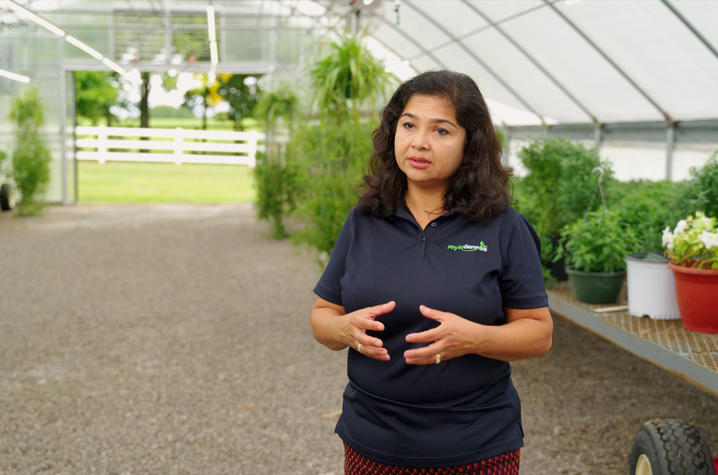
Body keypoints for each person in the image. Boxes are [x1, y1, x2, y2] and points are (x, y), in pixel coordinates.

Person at [309, 70, 553, 474]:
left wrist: (473, 338)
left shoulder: (503, 227)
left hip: (477, 445)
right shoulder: (365, 220)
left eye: (441, 130)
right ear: (393, 132)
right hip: (372, 442)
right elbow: (322, 316)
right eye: (408, 125)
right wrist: (342, 330)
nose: (419, 142)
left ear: (470, 144)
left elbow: (539, 334)